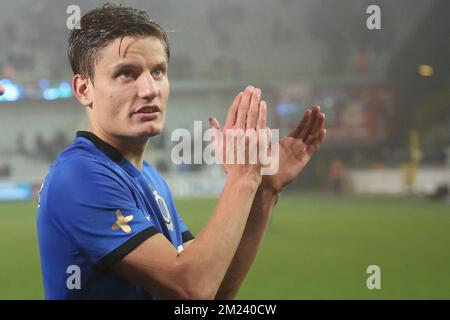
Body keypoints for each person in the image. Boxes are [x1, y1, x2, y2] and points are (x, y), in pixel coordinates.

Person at [37, 3, 326, 300]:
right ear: (84, 89)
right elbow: (192, 287)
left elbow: (213, 293)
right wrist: (242, 180)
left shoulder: (148, 176)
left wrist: (264, 191)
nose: (150, 89)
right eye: (126, 73)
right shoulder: (78, 176)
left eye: (158, 71)